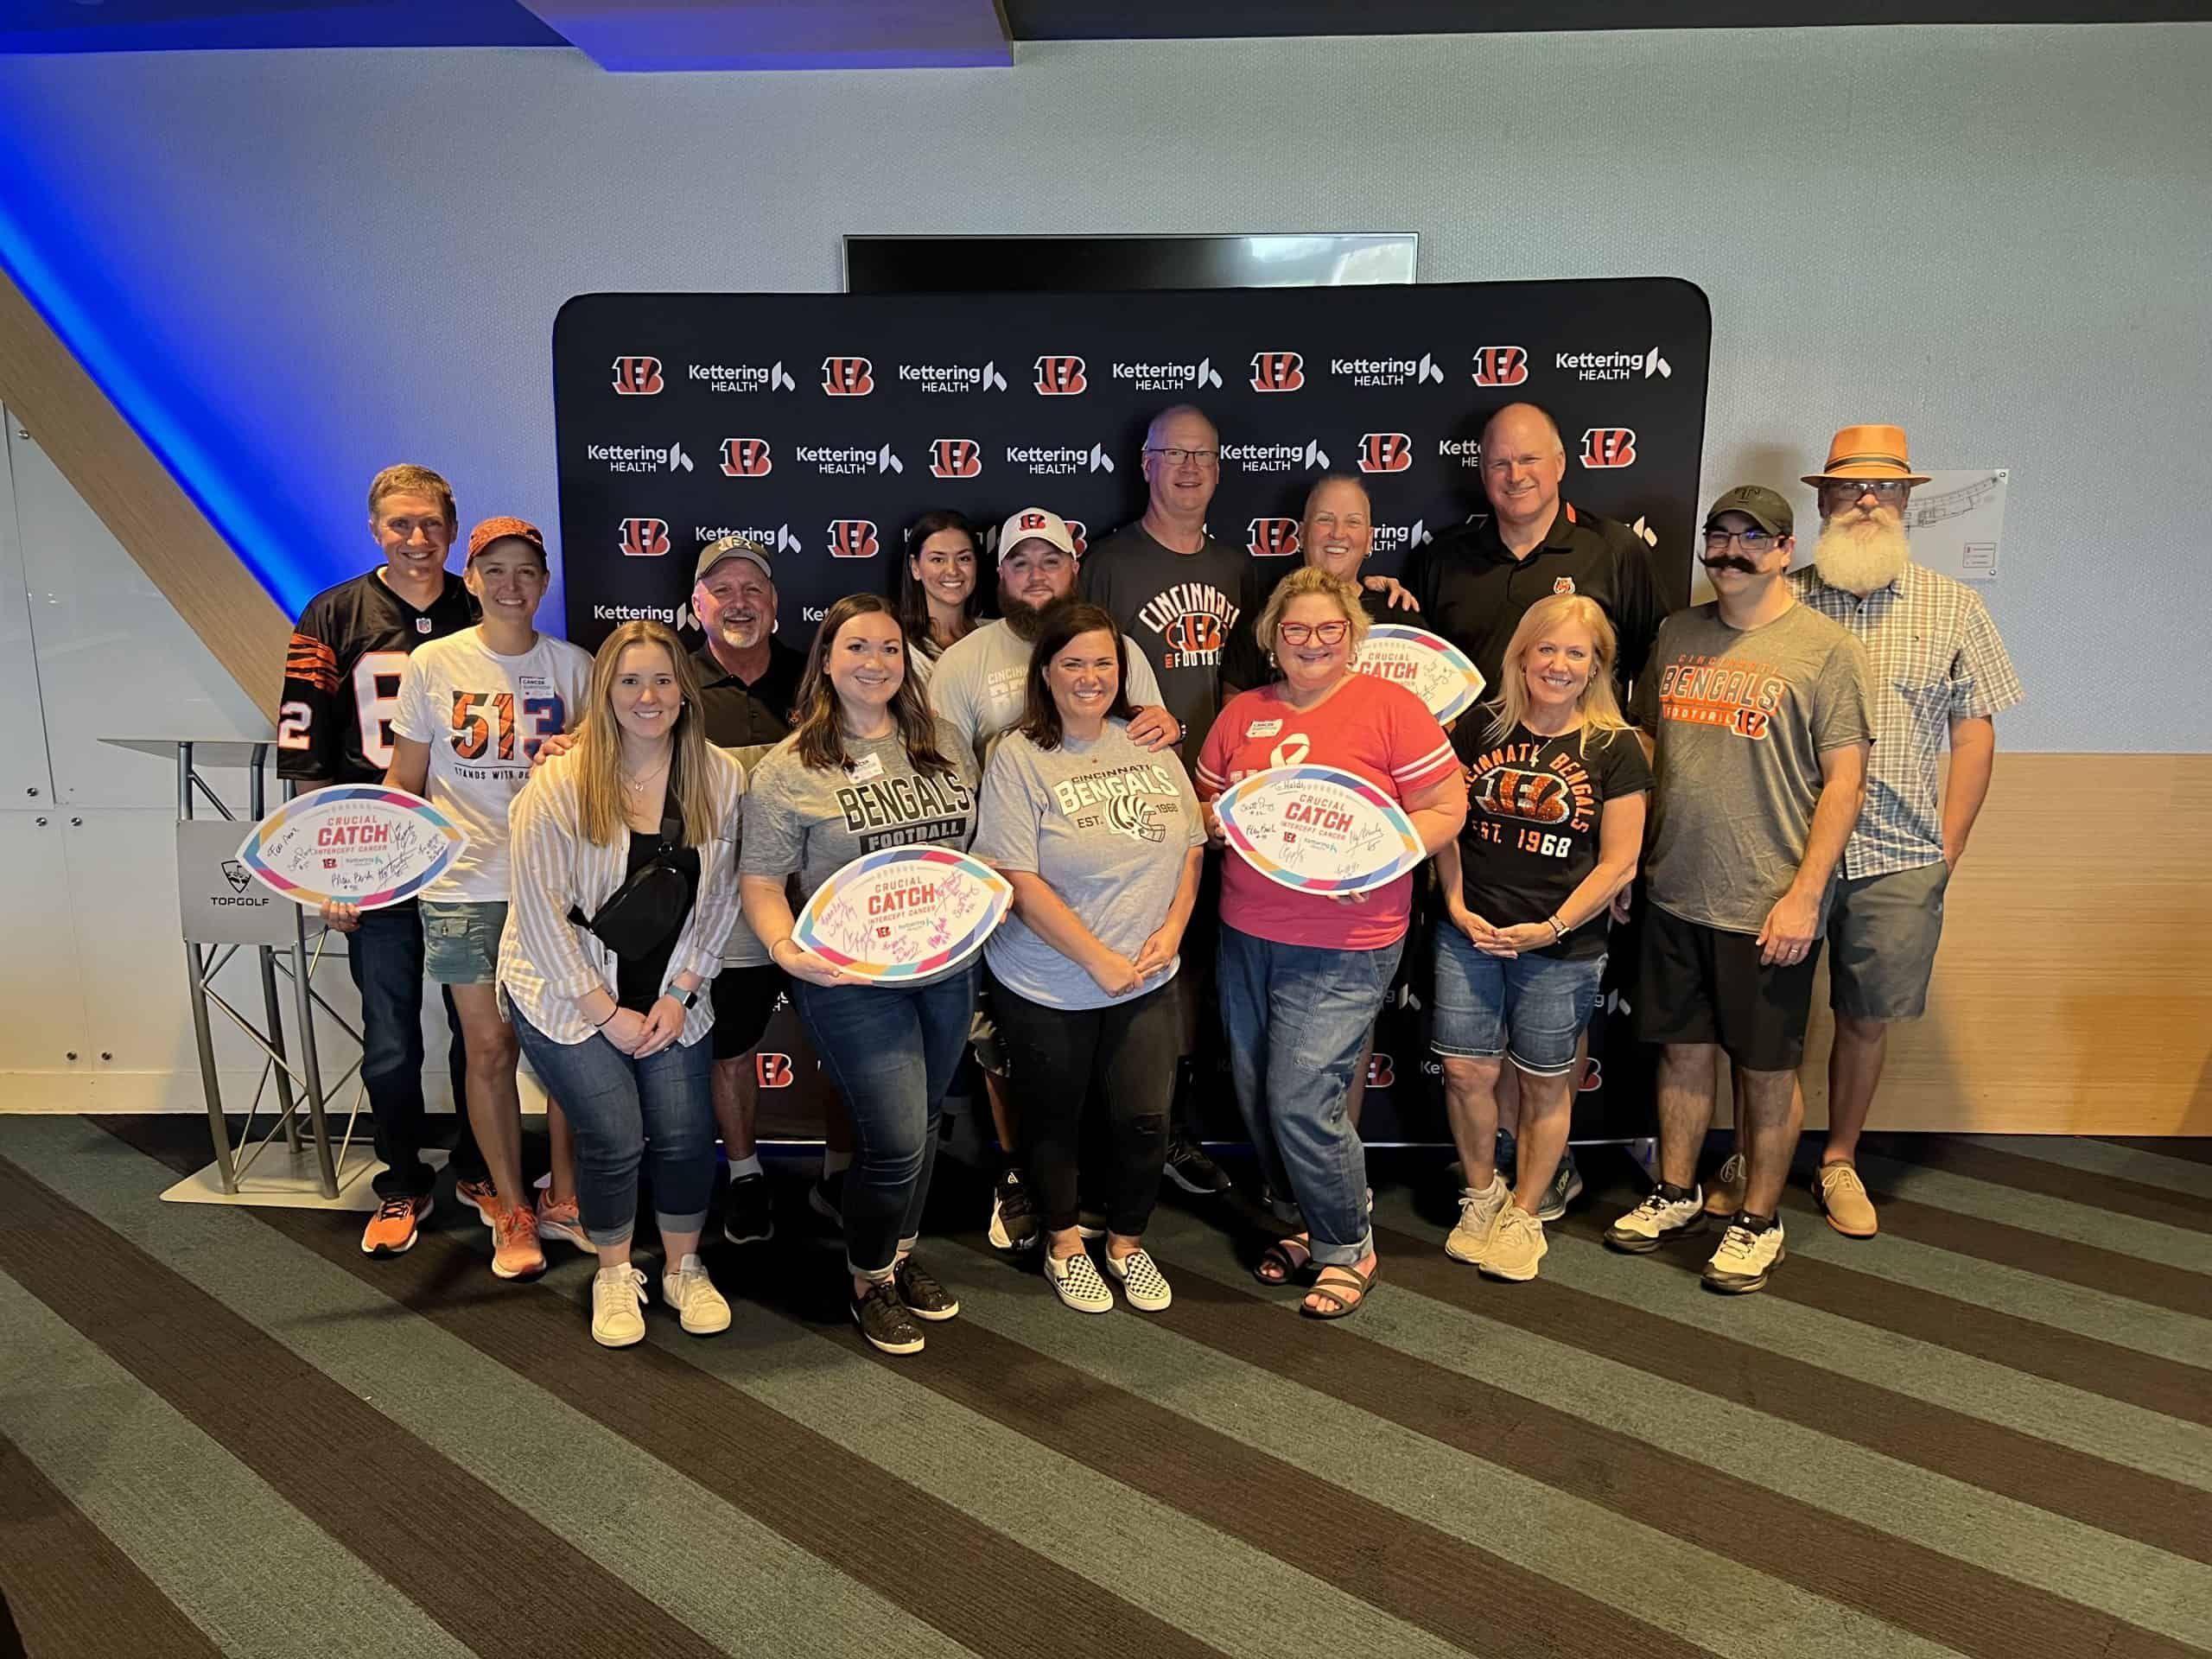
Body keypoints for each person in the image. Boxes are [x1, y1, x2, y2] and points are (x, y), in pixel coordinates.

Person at [1702, 427, 2017, 1238]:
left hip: (1898, 855)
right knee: (1764, 1018)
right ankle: (1746, 1153)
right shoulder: (1778, 595)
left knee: (1865, 1014)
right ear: (1821, 501)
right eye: (1849, 488)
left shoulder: (1957, 606)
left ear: (1910, 500)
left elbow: (1974, 732)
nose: (1867, 500)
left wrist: (1949, 847)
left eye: (1885, 488)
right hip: (1780, 850)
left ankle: (1838, 1157)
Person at [1605, 486, 1872, 1295]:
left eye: (1751, 538)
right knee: (1683, 1054)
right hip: (1675, 889)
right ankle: (1677, 1192)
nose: (1730, 551)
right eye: (1718, 535)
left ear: (1786, 549)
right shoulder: (1679, 633)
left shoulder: (1823, 648)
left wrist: (1806, 895)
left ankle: (1759, 1219)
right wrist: (1628, 857)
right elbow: (1649, 738)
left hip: (1768, 902)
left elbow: (1845, 784)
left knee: (1764, 1068)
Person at [1406, 402, 1670, 1215]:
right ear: (1479, 472)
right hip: (1471, 824)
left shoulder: (1615, 551)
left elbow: (1652, 691)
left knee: (1550, 1043)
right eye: (1497, 463)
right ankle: (1494, 1178)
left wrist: (1623, 843)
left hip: (1576, 835)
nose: (1514, 477)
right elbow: (1407, 671)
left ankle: (1540, 1173)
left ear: (1561, 465)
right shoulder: (1443, 560)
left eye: (1529, 462)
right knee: (1471, 1054)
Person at [1195, 568, 1468, 1319]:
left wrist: (1384, 854)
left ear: (1353, 637)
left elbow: (1448, 805)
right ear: (1271, 639)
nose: (1312, 643)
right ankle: (1300, 1221)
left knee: (1301, 1096)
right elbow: (1210, 799)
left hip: (1349, 938)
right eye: (1295, 630)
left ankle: (1349, 1244)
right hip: (1248, 930)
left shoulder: (1390, 707)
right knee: (1257, 1093)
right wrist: (1215, 822)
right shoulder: (1242, 712)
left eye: (1329, 630)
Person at [928, 508, 1178, 1250]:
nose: (1037, 576)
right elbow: (940, 775)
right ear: (998, 576)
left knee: (1123, 1092)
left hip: (1116, 903)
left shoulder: (1122, 647)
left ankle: (1101, 1207)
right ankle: (1025, 1183)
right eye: (1020, 563)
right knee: (1012, 1060)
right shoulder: (965, 664)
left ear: (1075, 570)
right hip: (997, 892)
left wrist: (1169, 726)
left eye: (1052, 562)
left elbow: (1148, 733)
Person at [741, 595, 982, 1357]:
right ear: (826, 659)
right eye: (856, 648)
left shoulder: (942, 739)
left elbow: (970, 851)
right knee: (898, 1139)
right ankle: (868, 1279)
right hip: (849, 982)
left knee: (929, 1122)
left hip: (946, 968)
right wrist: (786, 950)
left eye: (887, 648)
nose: (874, 662)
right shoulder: (791, 767)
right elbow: (761, 881)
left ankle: (898, 1258)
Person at [502, 620, 746, 1347]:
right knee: (615, 1136)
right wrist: (604, 1012)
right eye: (631, 681)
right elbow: (538, 911)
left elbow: (724, 895)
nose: (649, 696)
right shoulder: (560, 782)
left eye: (664, 680)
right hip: (566, 991)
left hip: (672, 990)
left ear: (685, 691)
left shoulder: (720, 776)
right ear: (604, 691)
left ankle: (682, 1266)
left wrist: (683, 992)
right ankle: (614, 1271)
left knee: (683, 1133)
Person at [971, 601, 1205, 1315]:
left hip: (1146, 975)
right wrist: (1095, 957)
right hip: (1049, 982)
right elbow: (1016, 875)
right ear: (1045, 672)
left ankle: (1128, 1244)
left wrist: (1174, 929)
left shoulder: (1147, 742)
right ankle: (1065, 1244)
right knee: (1054, 1118)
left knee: (1144, 1120)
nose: (1090, 676)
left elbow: (1191, 845)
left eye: (1104, 662)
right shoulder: (1018, 755)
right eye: (1073, 662)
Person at [277, 463, 486, 1257]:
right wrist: (331, 868)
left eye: (431, 523)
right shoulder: (333, 613)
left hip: (470, 847)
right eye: (400, 524)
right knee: (392, 1033)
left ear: (452, 526)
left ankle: (480, 1165)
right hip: (377, 848)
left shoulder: (482, 602)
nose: (417, 539)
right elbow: (304, 745)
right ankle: (401, 1179)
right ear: (374, 529)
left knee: (483, 1030)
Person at [385, 517, 592, 1279]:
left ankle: (564, 1195)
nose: (512, 584)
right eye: (495, 570)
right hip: (462, 885)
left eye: (527, 571)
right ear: (470, 579)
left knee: (569, 1046)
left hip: (555, 886)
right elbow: (403, 782)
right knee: (491, 1047)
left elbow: (604, 780)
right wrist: (365, 871)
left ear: (543, 583)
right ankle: (511, 1207)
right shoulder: (434, 664)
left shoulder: (575, 668)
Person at [1432, 594, 1649, 1281]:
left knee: (1546, 1083)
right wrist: (1458, 904)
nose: (1557, 664)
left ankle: (1526, 1213)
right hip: (1469, 933)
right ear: (1521, 656)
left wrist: (1551, 927)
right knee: (1467, 1071)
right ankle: (1481, 1194)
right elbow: (1443, 824)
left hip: (1560, 946)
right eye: (1545, 649)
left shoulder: (1614, 748)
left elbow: (1619, 860)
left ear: (1595, 668)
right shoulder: (1476, 730)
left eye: (1575, 654)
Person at [686, 535, 808, 1245]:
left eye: (753, 589)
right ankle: (744, 1174)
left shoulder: (815, 678)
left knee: (846, 1037)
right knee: (730, 1045)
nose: (740, 603)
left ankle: (845, 1176)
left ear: (775, 605)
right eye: (722, 590)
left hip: (818, 897)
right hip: (722, 903)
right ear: (697, 604)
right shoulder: (671, 681)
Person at [897, 509, 985, 685]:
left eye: (964, 558)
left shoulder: (996, 635)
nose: (952, 570)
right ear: (915, 568)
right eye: (938, 560)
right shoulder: (897, 643)